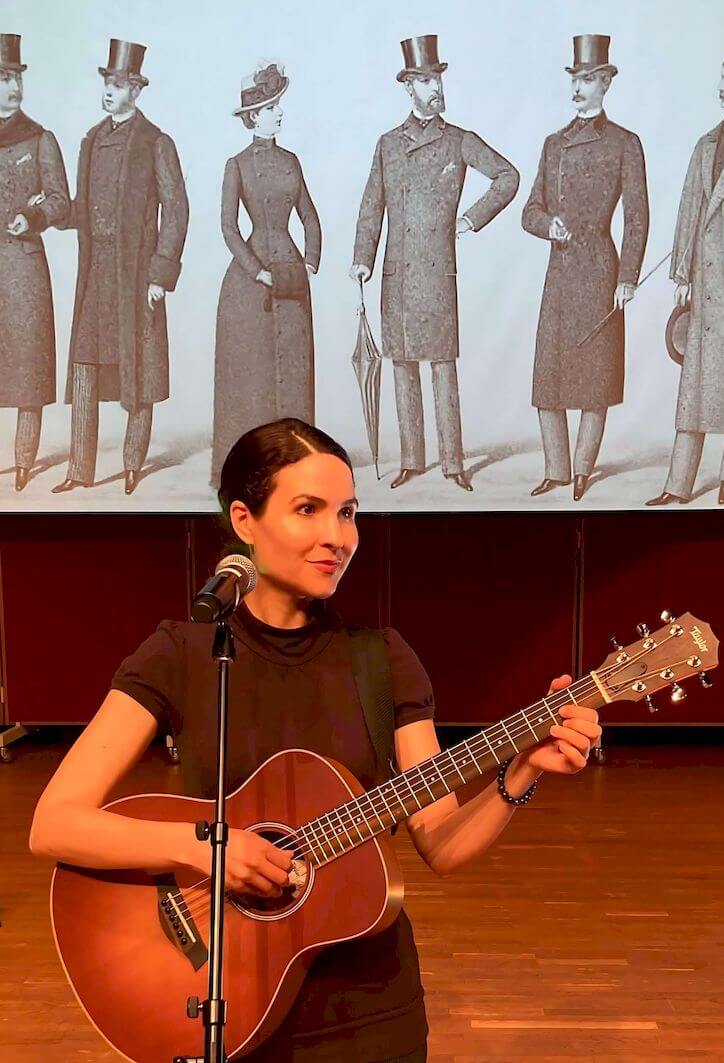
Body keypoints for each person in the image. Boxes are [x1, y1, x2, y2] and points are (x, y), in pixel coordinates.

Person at [30, 417, 601, 1062]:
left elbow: (439, 843)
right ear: (244, 520)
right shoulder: (182, 653)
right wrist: (208, 852)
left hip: (369, 1010)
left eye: (348, 513)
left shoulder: (383, 660)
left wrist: (521, 772)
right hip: (223, 996)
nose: (337, 537)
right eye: (309, 510)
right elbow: (54, 823)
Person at [351, 35, 519, 493]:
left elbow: (508, 176)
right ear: (409, 87)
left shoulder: (459, 141)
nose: (435, 87)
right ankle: (411, 459)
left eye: (438, 78)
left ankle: (452, 462)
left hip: (436, 273)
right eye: (425, 80)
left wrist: (471, 217)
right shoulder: (387, 144)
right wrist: (361, 259)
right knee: (402, 364)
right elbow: (372, 206)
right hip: (396, 275)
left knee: (443, 367)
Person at [53, 39, 189, 496]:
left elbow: (177, 208)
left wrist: (160, 273)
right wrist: (45, 210)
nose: (109, 91)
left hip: (136, 275)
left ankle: (133, 464)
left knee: (141, 367)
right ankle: (79, 469)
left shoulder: (155, 142)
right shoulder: (91, 141)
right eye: (106, 83)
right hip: (97, 271)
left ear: (136, 89)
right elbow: (80, 208)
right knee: (85, 366)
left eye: (118, 84)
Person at [522, 34, 649, 502]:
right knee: (548, 379)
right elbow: (529, 210)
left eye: (588, 79)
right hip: (559, 272)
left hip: (599, 270)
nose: (578, 87)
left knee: (595, 376)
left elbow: (637, 217)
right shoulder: (553, 144)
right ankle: (556, 469)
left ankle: (581, 470)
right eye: (575, 78)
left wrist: (628, 277)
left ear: (605, 84)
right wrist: (547, 225)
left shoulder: (624, 143)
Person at [646, 52, 724, 507]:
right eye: (721, 79)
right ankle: (677, 485)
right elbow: (689, 208)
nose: (721, 86)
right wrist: (680, 270)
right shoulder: (706, 142)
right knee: (694, 387)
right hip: (705, 280)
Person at [210, 63, 321, 487]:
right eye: (272, 108)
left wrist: (310, 259)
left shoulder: (292, 161)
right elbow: (227, 226)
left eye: (278, 106)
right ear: (254, 116)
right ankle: (248, 464)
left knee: (293, 364)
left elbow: (309, 215)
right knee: (252, 368)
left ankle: (293, 461)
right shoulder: (235, 164)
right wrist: (256, 270)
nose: (279, 113)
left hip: (291, 275)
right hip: (247, 280)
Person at [0, 33, 70, 492]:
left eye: (17, 78)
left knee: (27, 365)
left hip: (24, 268)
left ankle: (24, 460)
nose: (14, 87)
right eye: (4, 78)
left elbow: (62, 202)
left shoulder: (40, 138)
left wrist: (35, 214)